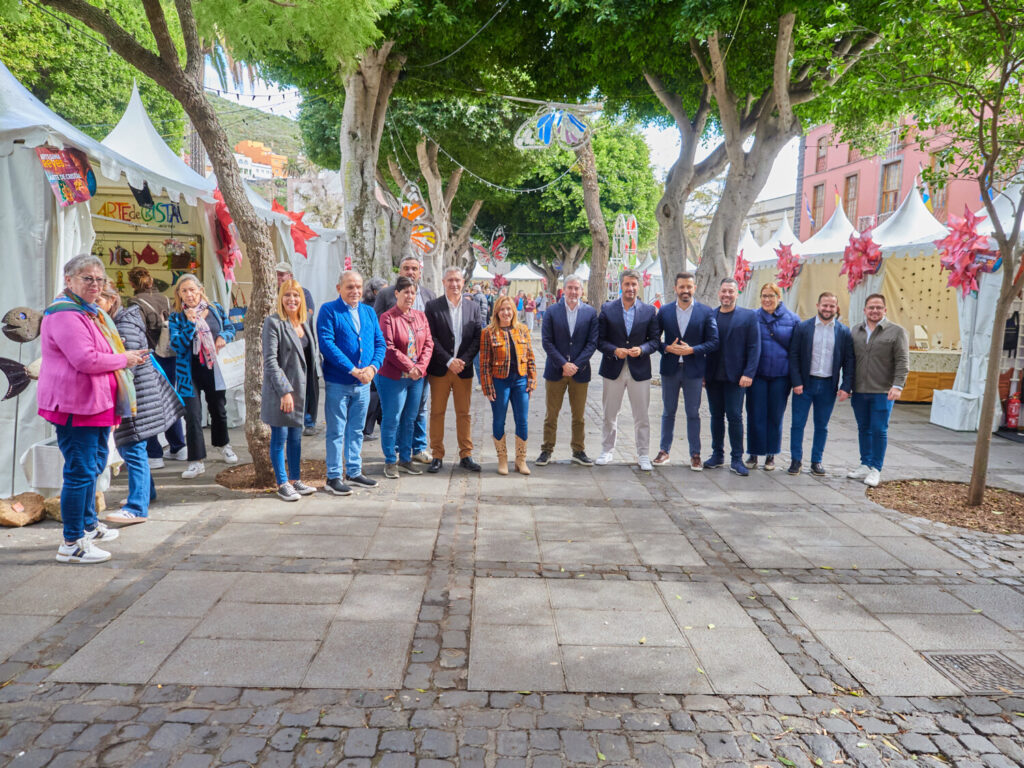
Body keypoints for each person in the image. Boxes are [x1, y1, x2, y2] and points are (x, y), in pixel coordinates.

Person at [38, 254, 147, 563]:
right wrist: (124, 359)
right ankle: (72, 544)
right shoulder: (65, 315)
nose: (95, 284)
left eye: (99, 279)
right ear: (69, 280)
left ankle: (88, 525)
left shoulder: (88, 312)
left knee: (94, 467)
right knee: (80, 472)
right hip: (76, 406)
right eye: (87, 278)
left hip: (95, 405)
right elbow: (85, 360)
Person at [99, 282, 183, 524]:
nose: (94, 305)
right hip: (139, 395)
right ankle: (147, 493)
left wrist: (116, 401)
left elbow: (127, 369)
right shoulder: (120, 321)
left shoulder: (123, 324)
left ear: (111, 300)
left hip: (135, 397)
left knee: (132, 448)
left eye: (99, 300)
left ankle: (137, 507)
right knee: (133, 447)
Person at [317, 269, 386, 494]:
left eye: (358, 286)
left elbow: (379, 343)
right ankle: (333, 476)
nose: (355, 291)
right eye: (349, 287)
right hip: (339, 382)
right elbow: (327, 344)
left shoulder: (368, 312)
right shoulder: (329, 310)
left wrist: (373, 368)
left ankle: (354, 471)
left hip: (364, 384)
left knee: (356, 430)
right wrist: (353, 370)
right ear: (339, 288)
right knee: (336, 431)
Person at [168, 275, 237, 479]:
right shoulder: (176, 317)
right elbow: (177, 345)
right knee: (192, 416)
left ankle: (223, 444)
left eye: (192, 289)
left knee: (218, 409)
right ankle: (196, 461)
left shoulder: (215, 308)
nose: (189, 294)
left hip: (214, 368)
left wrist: (223, 337)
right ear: (179, 294)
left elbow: (230, 328)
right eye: (184, 291)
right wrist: (190, 324)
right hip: (189, 372)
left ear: (200, 290)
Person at [595, 269, 660, 470]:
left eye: (633, 284)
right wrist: (615, 350)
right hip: (613, 368)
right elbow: (599, 340)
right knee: (609, 413)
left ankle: (643, 454)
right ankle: (607, 450)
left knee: (642, 416)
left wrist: (642, 349)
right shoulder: (607, 309)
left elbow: (655, 341)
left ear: (638, 286)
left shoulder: (649, 311)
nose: (630, 288)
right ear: (620, 286)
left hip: (639, 370)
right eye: (627, 284)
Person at [653, 272, 719, 470]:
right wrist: (666, 348)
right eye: (682, 287)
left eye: (689, 287)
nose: (685, 290)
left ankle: (695, 454)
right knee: (668, 411)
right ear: (675, 288)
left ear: (694, 288)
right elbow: (654, 339)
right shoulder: (664, 311)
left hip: (694, 370)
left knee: (693, 412)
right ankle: (664, 451)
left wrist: (693, 350)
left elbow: (714, 342)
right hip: (670, 370)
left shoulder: (705, 312)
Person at [374, 256, 437, 464]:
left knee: (415, 414)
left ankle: (411, 453)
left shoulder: (425, 305)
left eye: (414, 268)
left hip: (418, 374)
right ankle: (391, 458)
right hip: (393, 373)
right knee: (393, 417)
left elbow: (429, 341)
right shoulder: (387, 309)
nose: (410, 272)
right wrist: (411, 367)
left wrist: (420, 367)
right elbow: (386, 342)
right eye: (406, 268)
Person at [262, 279, 319, 502]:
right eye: (287, 295)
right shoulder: (274, 322)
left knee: (296, 437)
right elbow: (270, 362)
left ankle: (295, 479)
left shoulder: (305, 322)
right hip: (282, 391)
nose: (292, 299)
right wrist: (285, 391)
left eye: (296, 295)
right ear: (280, 299)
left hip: (302, 390)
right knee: (280, 437)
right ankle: (282, 483)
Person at [787, 292, 855, 476]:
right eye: (825, 305)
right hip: (804, 384)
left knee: (822, 425)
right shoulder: (803, 328)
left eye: (831, 306)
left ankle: (816, 461)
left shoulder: (843, 331)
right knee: (797, 424)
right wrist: (796, 382)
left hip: (828, 386)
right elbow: (793, 356)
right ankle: (796, 460)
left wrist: (846, 386)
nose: (828, 309)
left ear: (836, 308)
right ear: (818, 305)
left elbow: (849, 361)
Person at [424, 267, 482, 473]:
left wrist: (463, 361)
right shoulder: (433, 306)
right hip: (441, 368)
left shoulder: (473, 307)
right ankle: (437, 455)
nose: (454, 284)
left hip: (463, 370)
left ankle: (466, 454)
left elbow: (477, 337)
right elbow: (431, 337)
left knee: (464, 413)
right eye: (450, 280)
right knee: (437, 412)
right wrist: (449, 361)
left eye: (457, 280)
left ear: (463, 283)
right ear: (443, 282)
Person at [127, 266, 186, 469]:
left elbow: (137, 332)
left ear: (132, 283)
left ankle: (154, 453)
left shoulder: (135, 303)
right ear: (151, 281)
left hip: (149, 356)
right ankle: (178, 446)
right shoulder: (166, 300)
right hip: (169, 355)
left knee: (148, 405)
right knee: (169, 399)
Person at [537, 274, 598, 467]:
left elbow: (592, 343)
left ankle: (578, 450)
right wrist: (563, 364)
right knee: (551, 415)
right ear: (564, 290)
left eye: (576, 288)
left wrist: (575, 365)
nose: (573, 291)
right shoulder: (552, 311)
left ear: (581, 291)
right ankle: (546, 450)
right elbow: (547, 341)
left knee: (578, 416)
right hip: (556, 371)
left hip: (580, 372)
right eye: (570, 288)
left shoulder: (590, 313)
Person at [848, 293, 909, 487]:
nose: (874, 311)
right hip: (859, 390)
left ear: (885, 310)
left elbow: (902, 361)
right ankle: (865, 464)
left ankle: (876, 468)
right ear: (865, 310)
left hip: (883, 391)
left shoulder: (896, 332)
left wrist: (898, 386)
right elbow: (850, 360)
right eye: (871, 307)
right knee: (863, 428)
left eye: (878, 307)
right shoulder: (855, 331)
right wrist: (846, 386)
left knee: (879, 429)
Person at [704, 278, 761, 476]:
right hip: (713, 376)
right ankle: (717, 454)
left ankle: (737, 458)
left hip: (736, 377)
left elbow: (754, 347)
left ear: (737, 293)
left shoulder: (748, 316)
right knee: (715, 416)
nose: (727, 295)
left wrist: (749, 373)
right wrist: (702, 374)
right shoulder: (710, 315)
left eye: (730, 291)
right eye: (724, 291)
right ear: (718, 293)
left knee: (735, 416)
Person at [745, 283, 800, 471]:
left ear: (779, 297)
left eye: (771, 296)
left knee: (775, 415)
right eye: (764, 296)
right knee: (755, 413)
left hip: (781, 375)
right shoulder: (752, 317)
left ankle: (771, 454)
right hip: (757, 374)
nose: (767, 300)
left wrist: (796, 379)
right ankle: (753, 452)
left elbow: (796, 351)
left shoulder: (792, 319)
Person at [480, 295, 537, 474]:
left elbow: (530, 357)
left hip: (520, 380)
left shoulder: (523, 330)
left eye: (509, 309)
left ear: (514, 311)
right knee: (499, 419)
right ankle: (502, 459)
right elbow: (484, 363)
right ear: (496, 312)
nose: (506, 313)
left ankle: (521, 460)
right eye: (502, 309)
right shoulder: (488, 332)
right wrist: (487, 387)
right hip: (499, 381)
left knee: (522, 420)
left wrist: (532, 380)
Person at [275, 262, 319, 436]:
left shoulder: (304, 293)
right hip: (282, 350)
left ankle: (308, 420)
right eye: (277, 274)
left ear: (290, 276)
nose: (279, 278)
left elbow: (306, 316)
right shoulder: (272, 294)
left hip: (304, 348)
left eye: (282, 274)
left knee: (307, 385)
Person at [362, 276, 389, 443]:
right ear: (375, 291)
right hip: (374, 355)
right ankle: (367, 428)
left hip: (375, 353)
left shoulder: (368, 306)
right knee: (374, 392)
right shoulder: (372, 308)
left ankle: (374, 424)